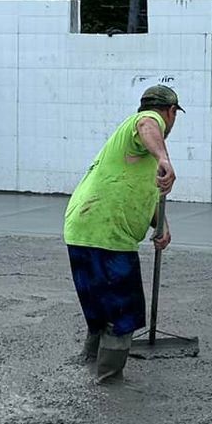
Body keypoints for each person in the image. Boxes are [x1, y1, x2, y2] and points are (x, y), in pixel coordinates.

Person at [63, 84, 181, 383]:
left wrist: (161, 223)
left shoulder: (134, 147)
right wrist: (165, 159)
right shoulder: (144, 123)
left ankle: (89, 362)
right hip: (107, 233)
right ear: (170, 112)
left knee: (99, 309)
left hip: (81, 227)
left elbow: (143, 191)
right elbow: (148, 123)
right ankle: (110, 379)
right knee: (123, 312)